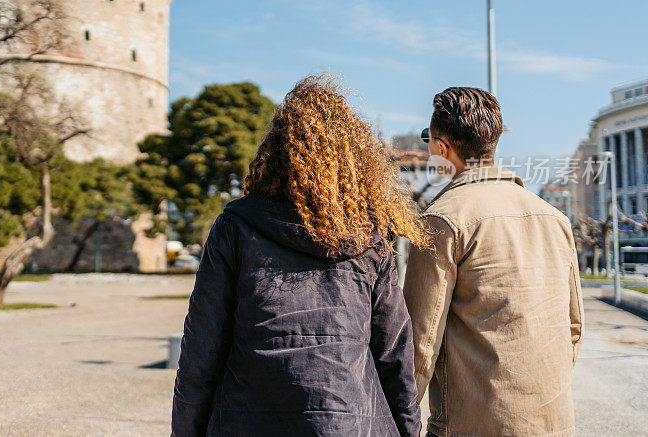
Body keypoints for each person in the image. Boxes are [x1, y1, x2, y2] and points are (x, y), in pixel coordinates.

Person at [171, 75, 428, 436]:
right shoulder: (370, 240)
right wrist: (409, 430)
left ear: (276, 153)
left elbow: (202, 348)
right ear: (354, 161)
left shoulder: (236, 227)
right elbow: (394, 355)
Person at [404, 87, 584, 437]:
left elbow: (420, 344)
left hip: (472, 424)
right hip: (554, 422)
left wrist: (398, 415)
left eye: (428, 141)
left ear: (442, 148)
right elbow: (573, 325)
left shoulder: (442, 220)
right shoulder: (555, 218)